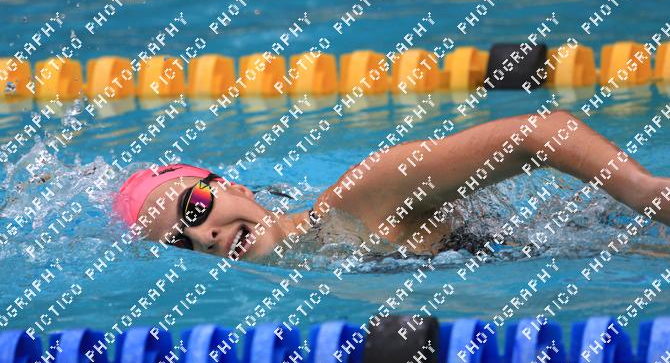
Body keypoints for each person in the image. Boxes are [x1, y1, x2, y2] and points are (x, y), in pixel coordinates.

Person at [112, 109, 670, 261]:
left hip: (615, 235)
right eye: (178, 242)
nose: (202, 236)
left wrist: (642, 191)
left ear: (234, 185)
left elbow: (539, 133)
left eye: (195, 209)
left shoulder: (354, 202)